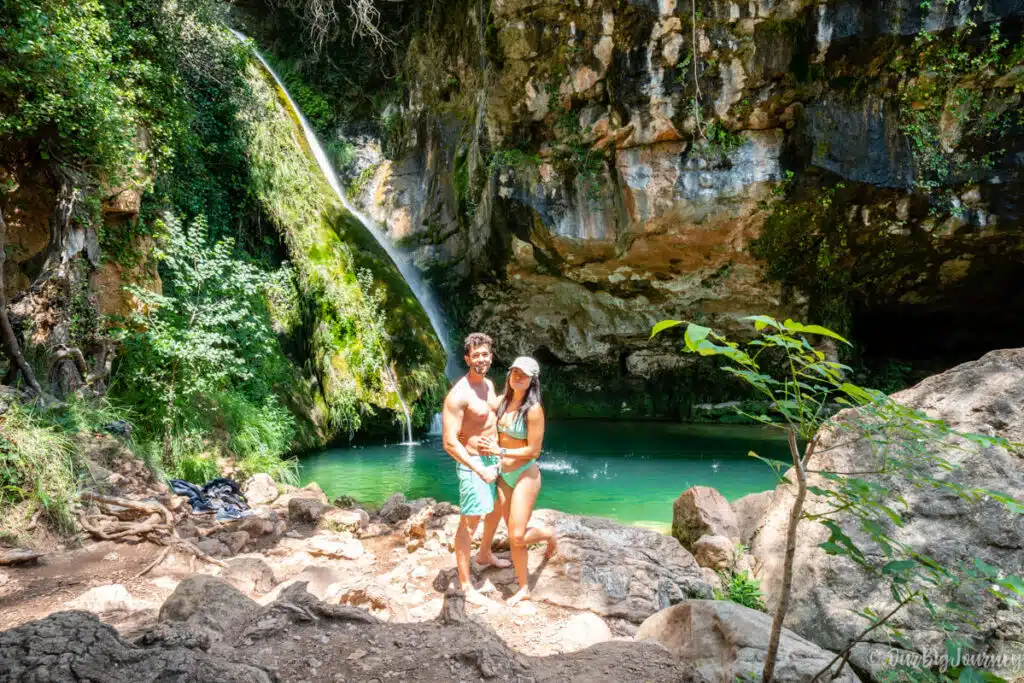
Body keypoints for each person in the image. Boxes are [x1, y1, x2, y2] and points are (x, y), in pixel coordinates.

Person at [473, 356, 557, 613]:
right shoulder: (502, 402)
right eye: (514, 372)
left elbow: (534, 450)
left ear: (532, 380)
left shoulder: (533, 410)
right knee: (513, 536)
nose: (517, 377)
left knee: (517, 536)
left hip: (524, 474)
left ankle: (548, 535)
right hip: (503, 474)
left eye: (523, 374)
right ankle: (524, 588)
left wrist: (500, 451)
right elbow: (477, 402)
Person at [440, 332, 511, 607]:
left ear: (490, 357)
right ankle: (466, 584)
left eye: (485, 354)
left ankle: (484, 555)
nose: (481, 359)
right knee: (469, 522)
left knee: (493, 511)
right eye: (476, 355)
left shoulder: (488, 385)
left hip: (492, 459)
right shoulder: (458, 395)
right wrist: (478, 470)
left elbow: (491, 409)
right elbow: (449, 443)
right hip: (473, 464)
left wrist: (519, 390)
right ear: (467, 358)